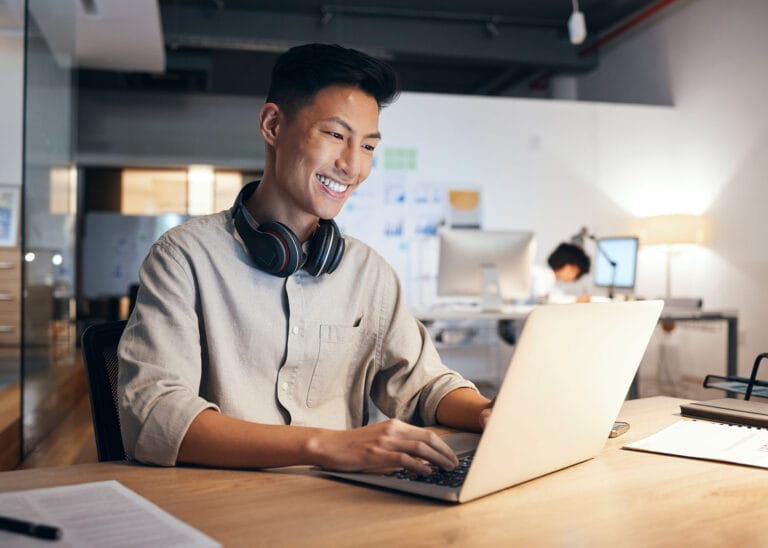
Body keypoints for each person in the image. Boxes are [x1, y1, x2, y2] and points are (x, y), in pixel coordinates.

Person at [117, 43, 492, 477]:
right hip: (224, 504)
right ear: (273, 124)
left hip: (338, 505)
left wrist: (487, 412)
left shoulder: (367, 273)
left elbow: (424, 384)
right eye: (335, 135)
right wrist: (324, 445)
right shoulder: (183, 258)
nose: (352, 165)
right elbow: (153, 415)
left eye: (368, 146)